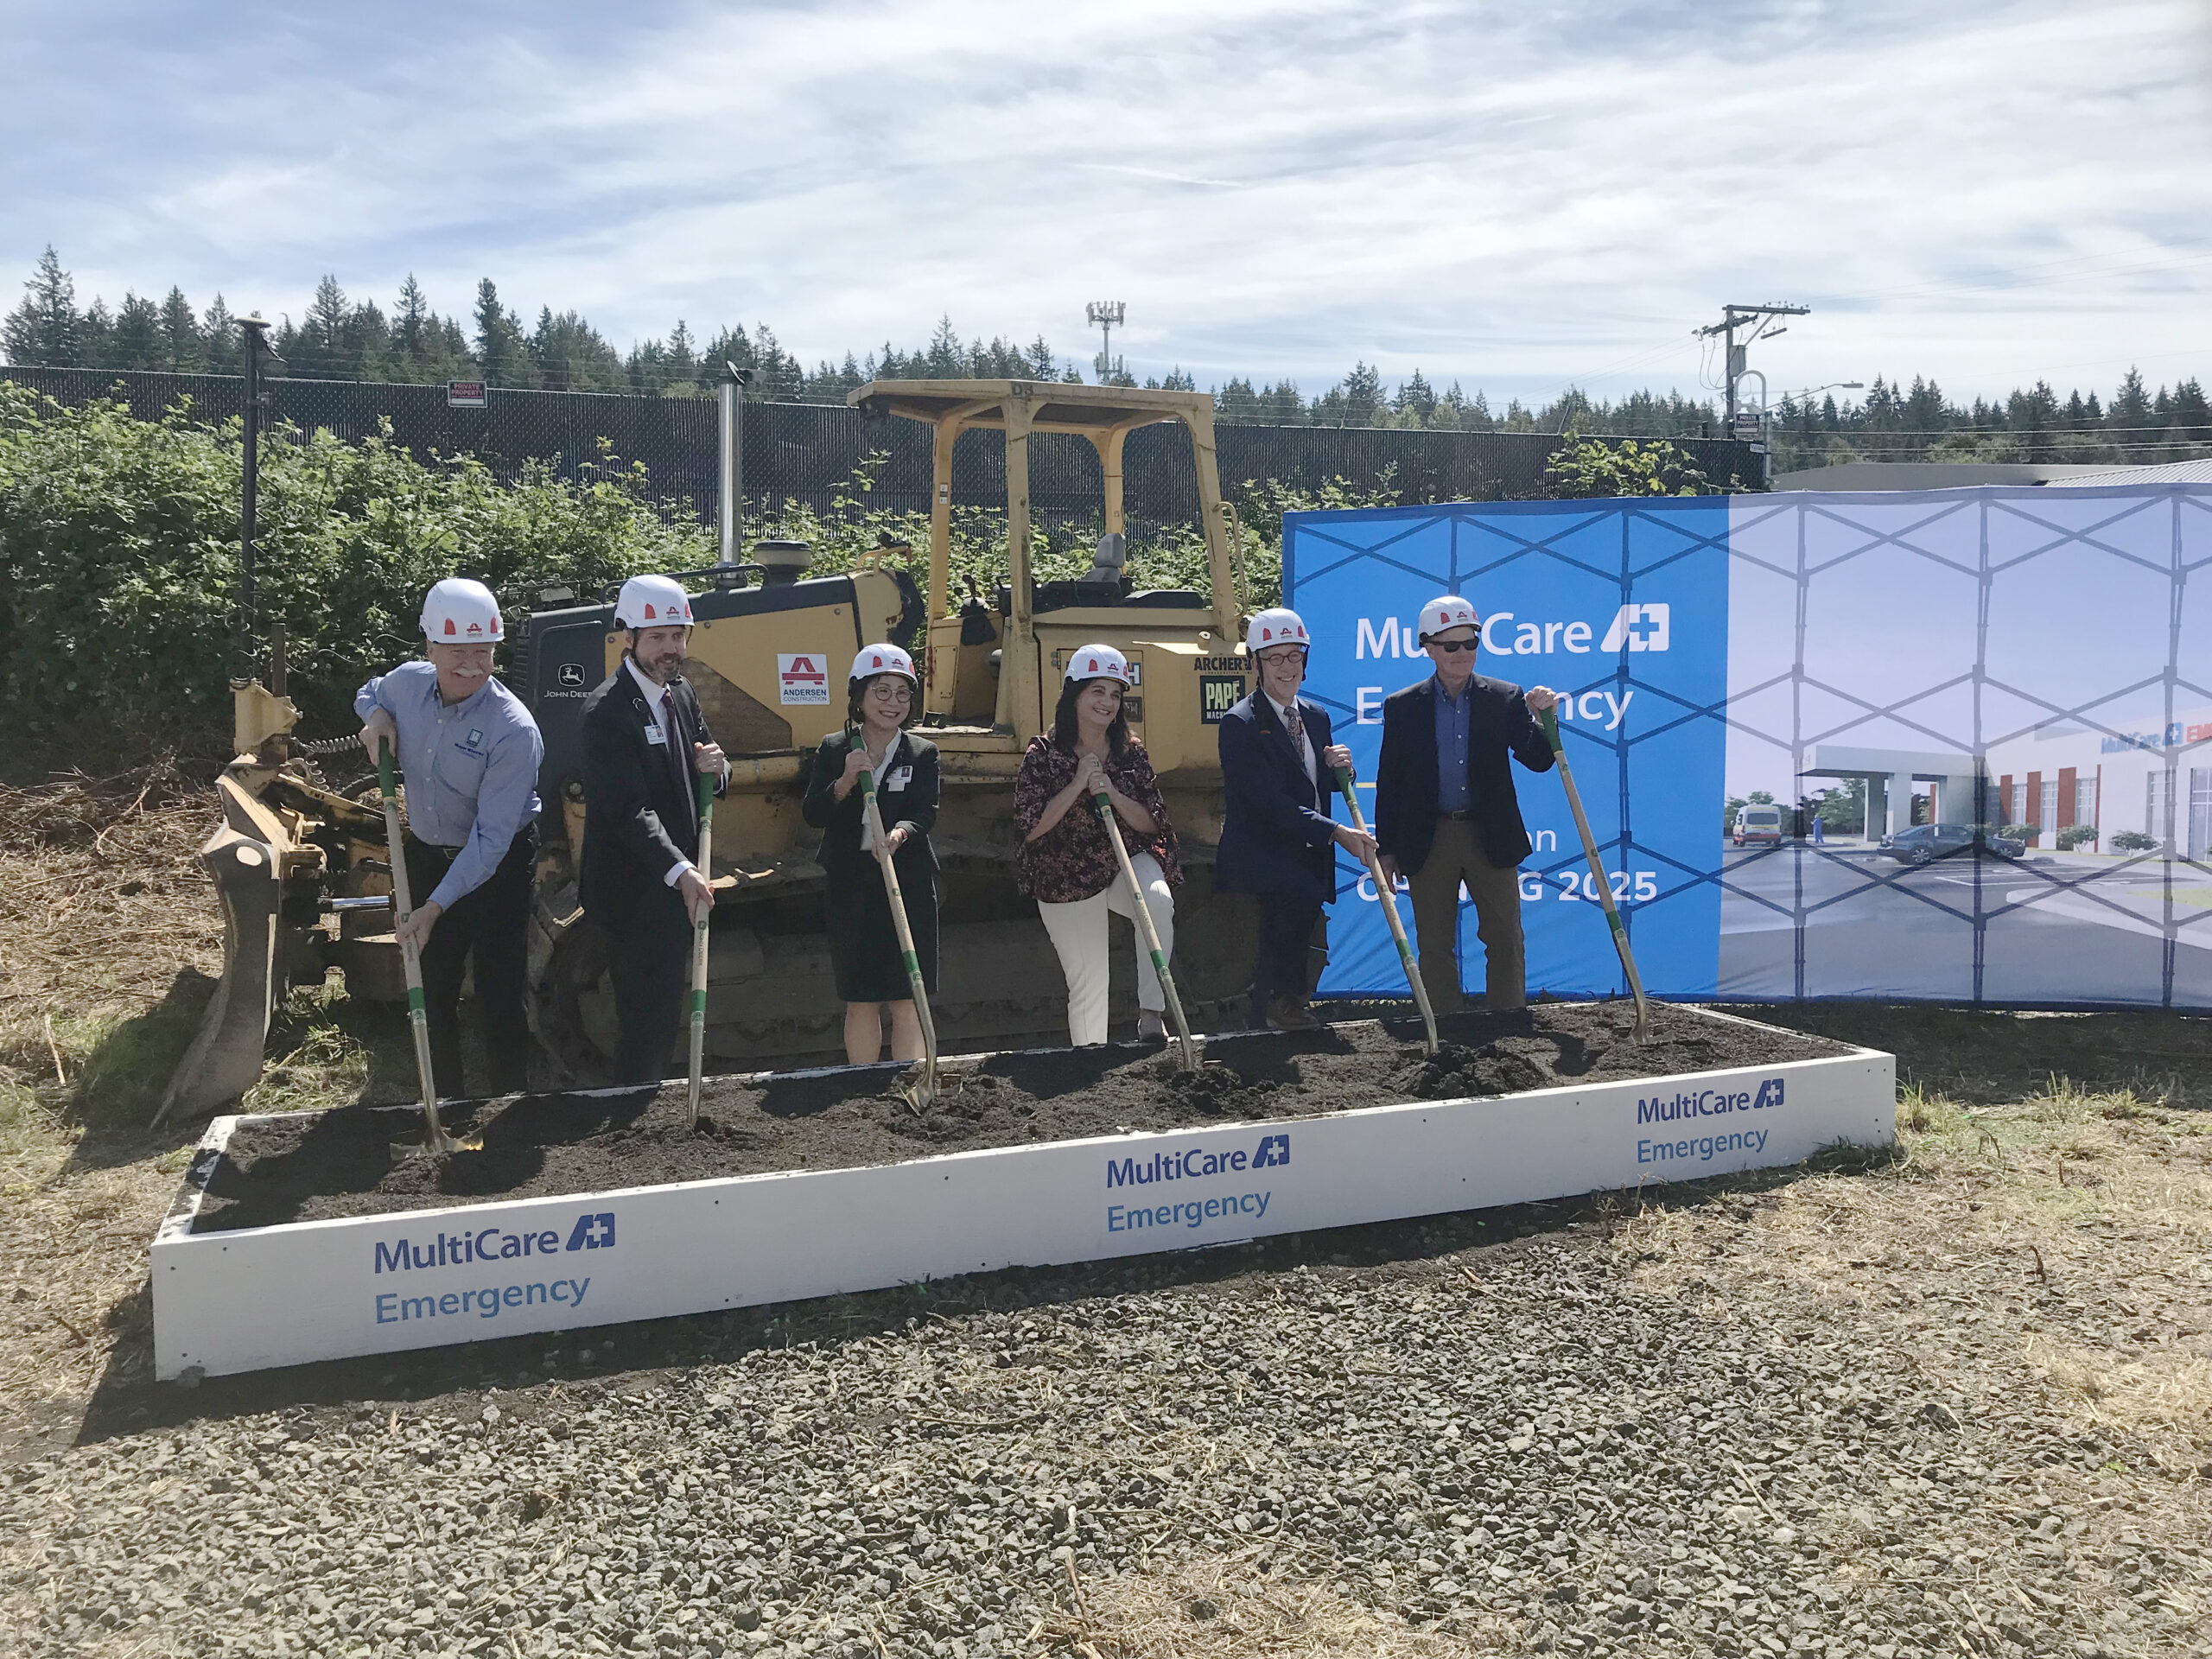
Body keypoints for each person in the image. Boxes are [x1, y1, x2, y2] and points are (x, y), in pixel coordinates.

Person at [355, 577, 545, 1097]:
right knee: (431, 982)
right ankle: (445, 1104)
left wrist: (434, 907)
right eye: (457, 650)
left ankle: (509, 1101)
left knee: (497, 988)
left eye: (482, 651)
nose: (471, 663)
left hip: (497, 864)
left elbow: (489, 840)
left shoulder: (514, 729)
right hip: (427, 853)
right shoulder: (408, 684)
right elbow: (370, 691)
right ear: (429, 647)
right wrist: (374, 717)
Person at [1375, 594, 1559, 1014]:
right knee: (1434, 943)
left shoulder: (1504, 697)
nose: (1462, 654)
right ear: (1429, 647)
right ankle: (1447, 1032)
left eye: (1470, 644)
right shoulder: (1402, 707)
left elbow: (1539, 760)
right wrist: (1386, 849)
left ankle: (1508, 1025)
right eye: (1451, 645)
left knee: (1505, 938)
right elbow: (1391, 781)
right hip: (1428, 837)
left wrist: (1545, 720)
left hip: (1489, 834)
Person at [578, 575, 728, 1084]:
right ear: (629, 638)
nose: (671, 649)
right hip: (634, 887)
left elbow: (703, 763)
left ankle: (646, 1106)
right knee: (644, 1017)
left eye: (678, 636)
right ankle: (630, 1119)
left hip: (674, 882)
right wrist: (680, 869)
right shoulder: (607, 711)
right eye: (658, 638)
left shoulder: (681, 694)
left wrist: (719, 768)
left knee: (664, 1011)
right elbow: (627, 810)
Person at [1214, 607, 1376, 1030]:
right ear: (1255, 664)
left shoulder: (1316, 717)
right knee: (1287, 912)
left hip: (1306, 850)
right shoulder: (1240, 723)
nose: (1286, 667)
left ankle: (1287, 1003)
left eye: (1294, 656)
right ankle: (1273, 1007)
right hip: (1264, 851)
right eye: (1274, 658)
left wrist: (1343, 770)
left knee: (1304, 917)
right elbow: (1267, 801)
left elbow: (1316, 783)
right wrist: (1336, 832)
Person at [1015, 645, 1182, 1046]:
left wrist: (1114, 794)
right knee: (1091, 983)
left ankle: (1151, 1013)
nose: (1107, 703)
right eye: (1097, 691)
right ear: (1074, 693)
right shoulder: (1043, 754)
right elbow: (1030, 827)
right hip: (1065, 873)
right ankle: (1090, 1065)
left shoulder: (1131, 751)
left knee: (1156, 900)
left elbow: (1153, 822)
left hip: (1122, 861)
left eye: (1115, 694)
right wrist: (1077, 785)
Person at [803, 644, 940, 1065]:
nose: (893, 702)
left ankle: (909, 1077)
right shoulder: (833, 748)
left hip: (908, 882)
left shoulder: (921, 752)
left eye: (902, 692)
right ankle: (862, 1080)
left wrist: (899, 834)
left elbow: (925, 813)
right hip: (852, 884)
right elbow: (813, 813)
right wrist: (845, 780)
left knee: (906, 995)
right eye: (881, 691)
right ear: (858, 696)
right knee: (861, 996)